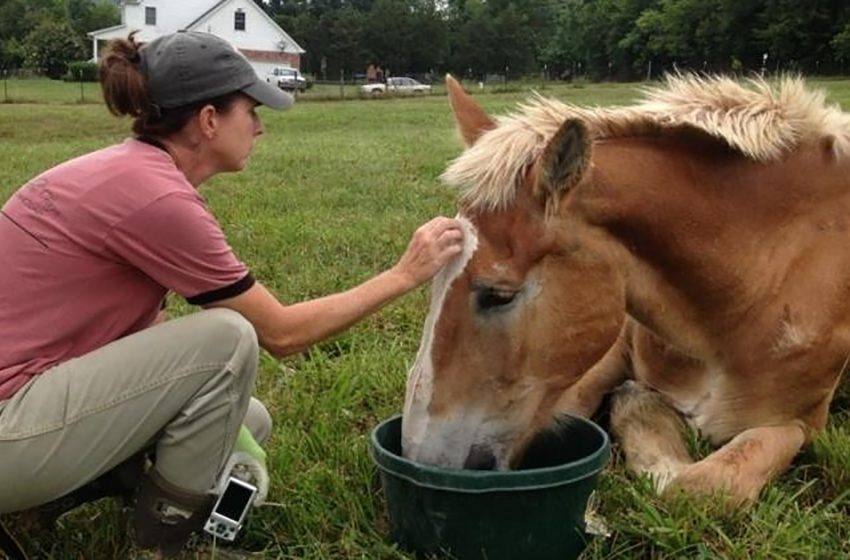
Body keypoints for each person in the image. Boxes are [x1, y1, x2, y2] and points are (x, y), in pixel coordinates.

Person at [0, 31, 463, 557]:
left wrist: (234, 447)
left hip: (23, 410)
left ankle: (49, 502)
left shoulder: (120, 173)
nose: (261, 127)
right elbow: (282, 334)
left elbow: (136, 339)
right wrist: (404, 274)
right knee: (227, 339)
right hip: (9, 432)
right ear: (208, 120)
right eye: (251, 109)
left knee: (248, 420)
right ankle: (169, 540)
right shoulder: (156, 198)